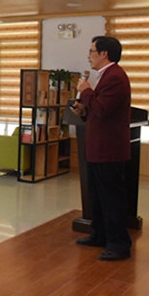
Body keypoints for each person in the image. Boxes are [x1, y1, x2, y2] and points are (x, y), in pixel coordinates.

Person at [71, 36, 132, 261]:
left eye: (91, 51)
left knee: (111, 199)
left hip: (109, 151)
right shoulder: (106, 76)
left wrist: (86, 91)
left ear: (104, 54)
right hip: (98, 149)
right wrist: (84, 111)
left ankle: (119, 245)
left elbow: (103, 109)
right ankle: (100, 235)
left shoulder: (115, 77)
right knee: (97, 196)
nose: (89, 56)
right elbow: (98, 110)